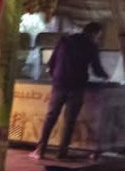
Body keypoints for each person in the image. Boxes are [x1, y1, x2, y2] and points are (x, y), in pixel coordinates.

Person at [30, 22, 109, 160]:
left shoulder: (65, 40)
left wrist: (55, 77)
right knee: (69, 121)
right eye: (99, 35)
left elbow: (51, 63)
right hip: (77, 86)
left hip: (59, 84)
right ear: (94, 33)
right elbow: (97, 69)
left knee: (51, 117)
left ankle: (40, 150)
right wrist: (107, 77)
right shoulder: (91, 46)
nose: (98, 38)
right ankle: (62, 153)